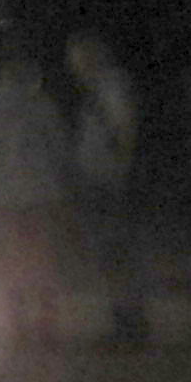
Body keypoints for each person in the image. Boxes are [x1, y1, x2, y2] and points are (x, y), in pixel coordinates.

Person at [0, 45, 71, 348]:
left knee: (12, 257)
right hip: (40, 189)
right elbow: (59, 146)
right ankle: (46, 323)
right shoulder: (42, 107)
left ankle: (18, 325)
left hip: (3, 192)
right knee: (43, 256)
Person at [67, 30, 151, 348]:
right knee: (111, 254)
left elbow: (123, 131)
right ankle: (125, 321)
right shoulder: (100, 88)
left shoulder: (109, 87)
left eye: (77, 57)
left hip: (108, 180)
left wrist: (119, 174)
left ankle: (129, 324)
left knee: (116, 253)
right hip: (102, 178)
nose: (73, 64)